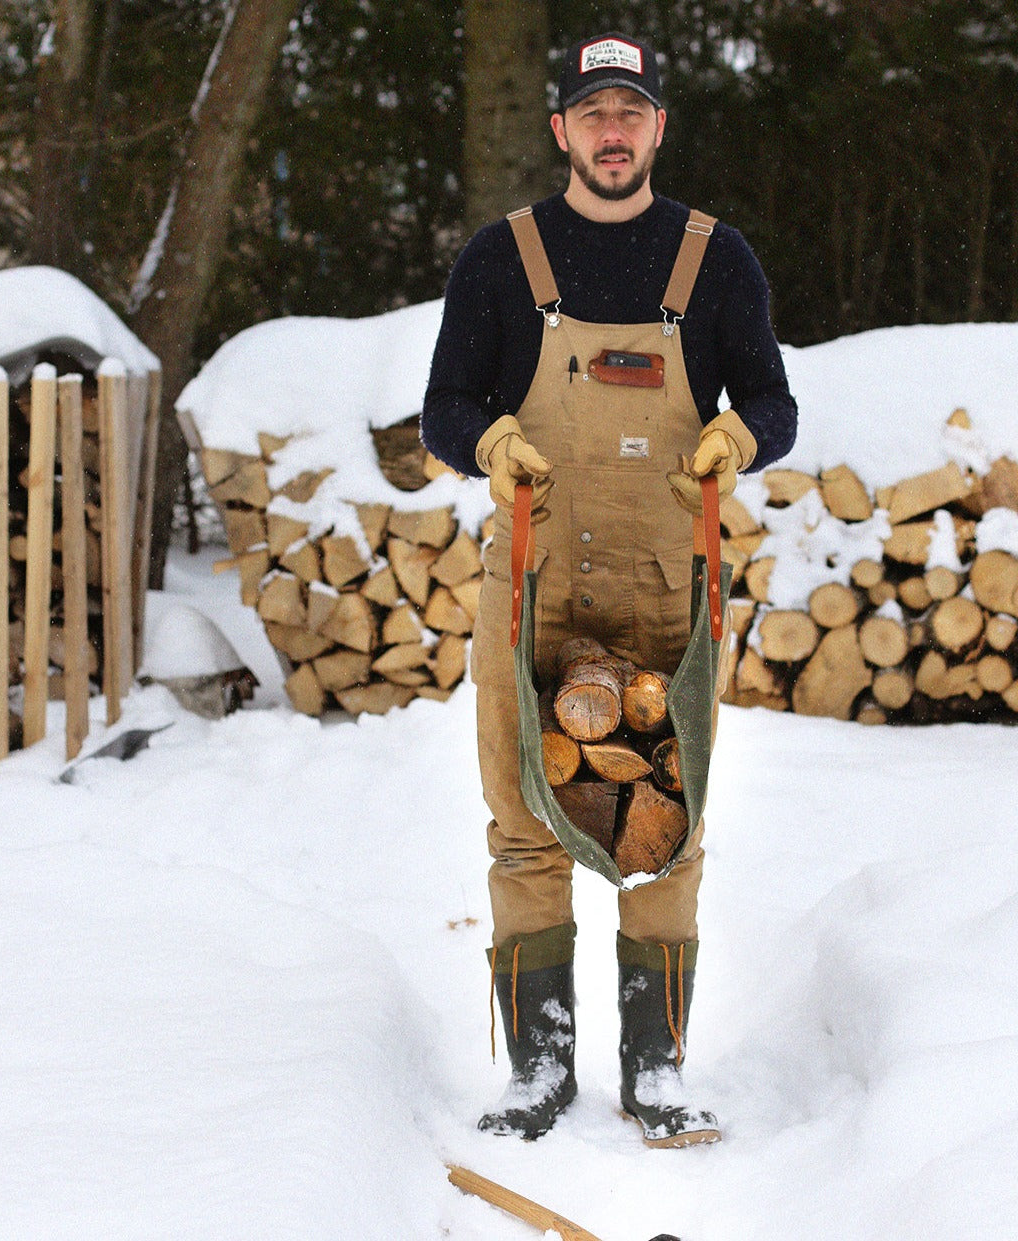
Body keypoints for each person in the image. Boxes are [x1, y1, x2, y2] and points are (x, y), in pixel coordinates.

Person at [421, 31, 797, 1147]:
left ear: (658, 128)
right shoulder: (501, 258)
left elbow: (773, 404)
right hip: (532, 580)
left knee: (667, 826)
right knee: (522, 820)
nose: (613, 131)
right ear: (561, 131)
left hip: (666, 585)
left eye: (630, 111)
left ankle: (656, 1067)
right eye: (593, 113)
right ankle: (537, 1067)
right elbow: (444, 407)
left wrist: (740, 435)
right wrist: (488, 442)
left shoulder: (714, 259)